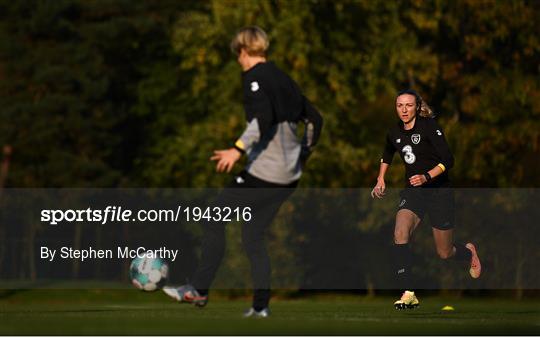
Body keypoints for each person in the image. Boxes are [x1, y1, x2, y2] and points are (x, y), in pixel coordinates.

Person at [163, 26, 323, 317]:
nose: (238, 59)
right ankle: (260, 307)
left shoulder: (254, 78)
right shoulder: (284, 79)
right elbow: (315, 120)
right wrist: (302, 157)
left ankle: (198, 290)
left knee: (212, 220)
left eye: (237, 53)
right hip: (288, 178)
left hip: (263, 174)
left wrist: (236, 149)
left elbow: (261, 119)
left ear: (243, 51)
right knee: (252, 236)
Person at [371, 89, 481, 309]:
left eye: (408, 105)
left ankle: (468, 252)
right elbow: (387, 153)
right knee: (400, 232)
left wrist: (427, 176)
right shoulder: (394, 132)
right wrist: (381, 178)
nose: (404, 110)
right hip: (414, 193)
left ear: (416, 106)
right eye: (399, 105)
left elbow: (449, 160)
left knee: (444, 252)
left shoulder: (429, 127)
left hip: (439, 192)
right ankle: (408, 293)